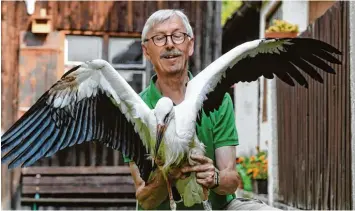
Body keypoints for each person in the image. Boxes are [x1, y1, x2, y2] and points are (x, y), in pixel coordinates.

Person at [124, 9, 279, 210]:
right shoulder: (134, 110)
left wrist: (214, 178)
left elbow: (231, 180)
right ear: (146, 51)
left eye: (178, 36)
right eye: (159, 38)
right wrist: (167, 176)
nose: (170, 44)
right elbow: (145, 199)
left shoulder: (217, 98)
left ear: (190, 45)